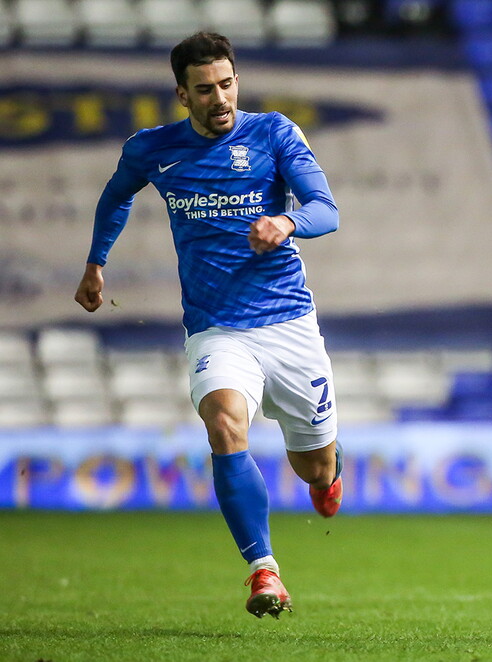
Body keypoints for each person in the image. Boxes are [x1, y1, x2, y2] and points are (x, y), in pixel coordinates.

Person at [74, 31, 343, 619]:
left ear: (236, 81)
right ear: (182, 95)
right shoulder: (152, 148)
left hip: (289, 323)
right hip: (216, 327)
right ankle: (263, 572)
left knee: (314, 465)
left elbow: (328, 209)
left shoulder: (273, 133)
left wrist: (287, 223)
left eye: (227, 83)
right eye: (205, 89)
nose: (220, 97)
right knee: (223, 423)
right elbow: (116, 196)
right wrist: (96, 263)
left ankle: (326, 476)